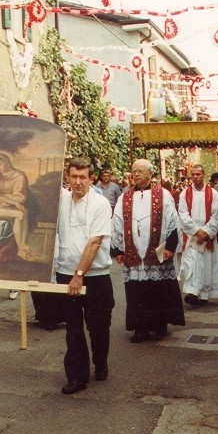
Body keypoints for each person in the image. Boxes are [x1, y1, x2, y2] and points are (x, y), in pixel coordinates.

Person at [55, 158, 115, 394]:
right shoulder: (60, 202)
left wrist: (79, 275)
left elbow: (95, 241)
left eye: (83, 177)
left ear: (91, 179)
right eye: (74, 176)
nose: (78, 181)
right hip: (64, 273)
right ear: (67, 177)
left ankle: (100, 363)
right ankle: (77, 377)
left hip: (95, 276)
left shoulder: (100, 204)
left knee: (98, 326)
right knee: (73, 328)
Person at [112, 159, 185, 343]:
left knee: (158, 289)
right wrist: (117, 249)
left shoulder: (164, 194)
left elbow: (173, 222)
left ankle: (160, 325)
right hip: (134, 251)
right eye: (134, 171)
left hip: (157, 249)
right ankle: (140, 329)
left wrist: (170, 247)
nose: (136, 174)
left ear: (150, 174)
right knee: (137, 291)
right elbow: (117, 223)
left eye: (140, 171)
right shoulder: (125, 197)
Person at [177, 165, 218, 305]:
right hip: (192, 235)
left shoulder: (213, 193)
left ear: (203, 174)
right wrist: (197, 231)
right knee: (192, 264)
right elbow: (183, 214)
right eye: (193, 174)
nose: (195, 177)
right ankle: (192, 293)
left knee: (206, 264)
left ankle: (204, 294)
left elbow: (216, 216)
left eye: (198, 174)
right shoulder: (184, 193)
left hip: (207, 235)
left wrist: (206, 232)